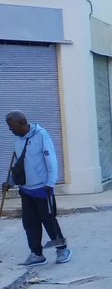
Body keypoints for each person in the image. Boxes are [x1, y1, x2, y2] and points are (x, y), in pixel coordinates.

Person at [4, 111, 69, 265]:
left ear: (21, 124)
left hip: (42, 188)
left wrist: (51, 183)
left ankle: (62, 249)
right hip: (26, 189)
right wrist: (11, 181)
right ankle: (36, 254)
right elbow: (19, 164)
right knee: (30, 222)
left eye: (12, 126)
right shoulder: (18, 139)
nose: (10, 130)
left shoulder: (41, 135)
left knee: (49, 220)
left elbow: (51, 160)